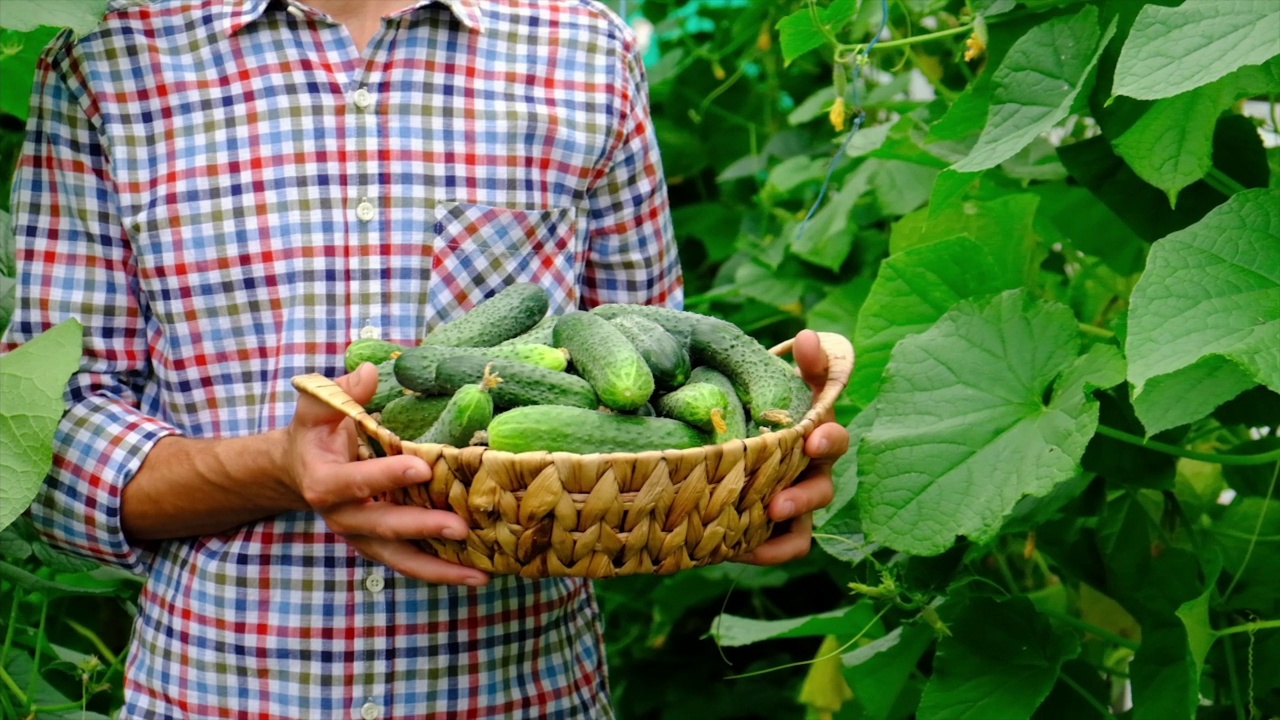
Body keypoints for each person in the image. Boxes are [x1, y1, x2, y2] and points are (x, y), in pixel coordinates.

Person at [2, 0, 850, 716]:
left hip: (526, 692)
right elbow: (51, 449)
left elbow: (656, 381)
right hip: (217, 690)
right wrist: (277, 466)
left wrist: (741, 481)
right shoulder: (109, 55)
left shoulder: (581, 47)